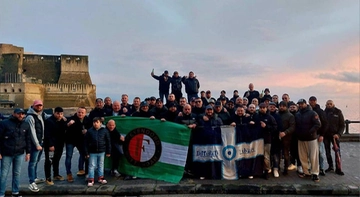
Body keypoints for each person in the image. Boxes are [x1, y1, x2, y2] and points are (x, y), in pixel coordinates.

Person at [0, 108, 31, 197]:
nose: (21, 115)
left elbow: (28, 139)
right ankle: (1, 193)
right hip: (7, 153)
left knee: (17, 173)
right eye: (19, 114)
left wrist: (28, 152)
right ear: (14, 114)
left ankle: (15, 192)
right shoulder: (4, 123)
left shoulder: (26, 125)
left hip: (19, 153)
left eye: (22, 114)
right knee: (4, 174)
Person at [295, 99, 321, 182]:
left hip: (311, 138)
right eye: (299, 104)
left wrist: (310, 132)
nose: (300, 105)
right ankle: (306, 172)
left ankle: (315, 173)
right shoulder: (298, 114)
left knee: (313, 157)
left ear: (306, 104)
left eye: (302, 104)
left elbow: (318, 124)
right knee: (303, 157)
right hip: (301, 138)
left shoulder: (312, 113)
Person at [65, 107, 92, 182]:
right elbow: (64, 126)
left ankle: (81, 170)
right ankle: (69, 174)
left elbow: (91, 128)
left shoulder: (87, 120)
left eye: (82, 112)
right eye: (79, 112)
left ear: (85, 113)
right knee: (69, 156)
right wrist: (68, 124)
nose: (80, 114)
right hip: (70, 140)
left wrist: (87, 130)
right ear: (77, 112)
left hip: (81, 140)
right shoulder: (71, 119)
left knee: (83, 154)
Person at [26, 100, 47, 192]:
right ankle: (31, 182)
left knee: (37, 161)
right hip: (35, 144)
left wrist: (63, 118)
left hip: (41, 142)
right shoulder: (30, 117)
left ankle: (34, 178)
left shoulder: (41, 114)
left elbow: (50, 118)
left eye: (40, 105)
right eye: (37, 105)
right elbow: (32, 132)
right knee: (32, 162)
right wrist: (37, 144)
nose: (39, 107)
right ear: (33, 106)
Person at [43, 107, 67, 185]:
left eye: (61, 114)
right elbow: (47, 134)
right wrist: (50, 145)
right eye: (58, 113)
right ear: (54, 113)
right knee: (49, 161)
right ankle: (48, 178)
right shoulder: (49, 121)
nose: (59, 115)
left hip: (60, 144)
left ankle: (56, 174)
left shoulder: (62, 121)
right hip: (51, 145)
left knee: (56, 160)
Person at [84, 117, 111, 187]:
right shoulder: (89, 131)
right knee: (92, 165)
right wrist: (86, 153)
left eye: (97, 122)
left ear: (100, 123)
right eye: (94, 122)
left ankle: (101, 177)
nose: (95, 124)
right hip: (92, 151)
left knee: (101, 165)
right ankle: (91, 179)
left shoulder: (105, 131)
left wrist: (108, 151)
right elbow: (86, 143)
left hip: (102, 151)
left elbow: (108, 141)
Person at [324, 100, 345, 175]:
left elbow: (342, 125)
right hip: (326, 135)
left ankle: (338, 168)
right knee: (327, 151)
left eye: (330, 104)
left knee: (337, 152)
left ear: (333, 104)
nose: (329, 105)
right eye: (328, 104)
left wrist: (339, 134)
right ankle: (330, 166)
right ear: (326, 105)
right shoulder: (324, 112)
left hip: (335, 135)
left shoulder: (338, 112)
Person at [309, 96, 328, 176]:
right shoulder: (308, 111)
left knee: (320, 152)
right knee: (311, 153)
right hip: (310, 135)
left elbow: (325, 124)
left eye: (313, 100)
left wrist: (322, 135)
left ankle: (322, 168)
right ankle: (312, 168)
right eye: (311, 100)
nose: (312, 102)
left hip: (318, 135)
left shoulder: (320, 111)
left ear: (316, 101)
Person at [258, 103, 277, 180]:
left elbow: (275, 128)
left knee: (266, 156)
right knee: (258, 156)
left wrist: (266, 127)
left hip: (267, 140)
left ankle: (266, 171)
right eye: (261, 107)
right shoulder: (257, 116)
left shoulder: (270, 117)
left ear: (266, 108)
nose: (262, 109)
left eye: (264, 107)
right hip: (257, 140)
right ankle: (259, 171)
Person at [278, 101, 295, 175]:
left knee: (286, 153)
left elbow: (292, 127)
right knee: (277, 153)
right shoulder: (277, 114)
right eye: (280, 106)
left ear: (286, 107)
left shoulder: (290, 115)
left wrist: (285, 132)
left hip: (287, 137)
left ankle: (286, 168)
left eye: (283, 106)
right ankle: (276, 167)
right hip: (277, 136)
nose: (281, 107)